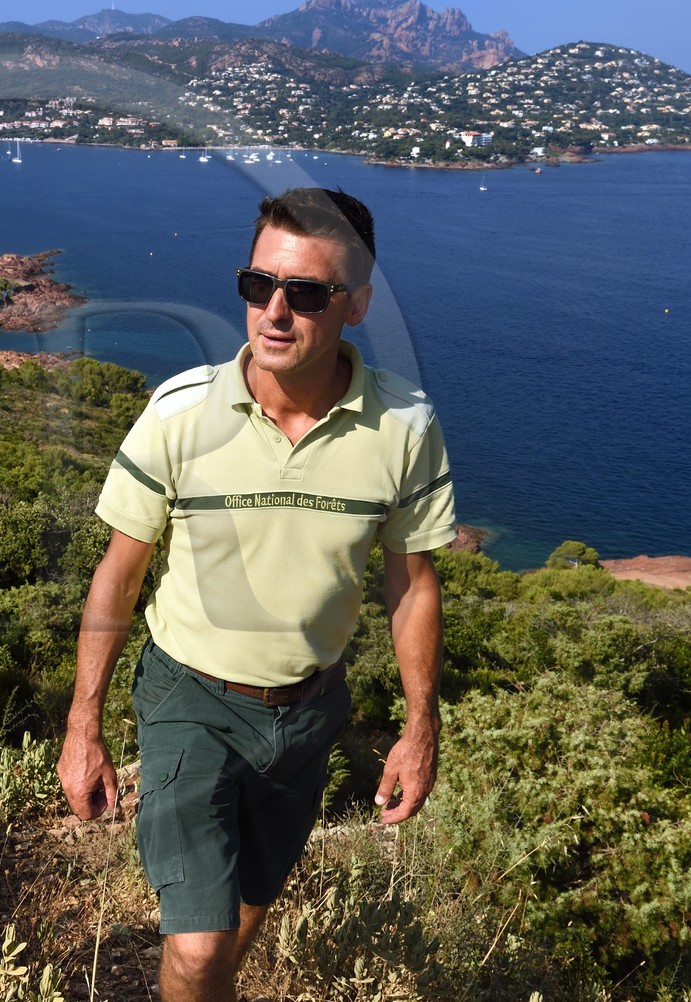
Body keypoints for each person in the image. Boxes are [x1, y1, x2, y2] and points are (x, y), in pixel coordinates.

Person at [57, 187, 455, 1002]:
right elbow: (118, 574)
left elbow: (411, 583)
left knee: (237, 928)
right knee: (200, 950)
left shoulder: (405, 427)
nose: (275, 311)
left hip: (311, 712)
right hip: (189, 698)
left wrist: (421, 729)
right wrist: (82, 724)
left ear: (356, 305)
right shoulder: (179, 412)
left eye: (306, 293)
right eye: (257, 285)